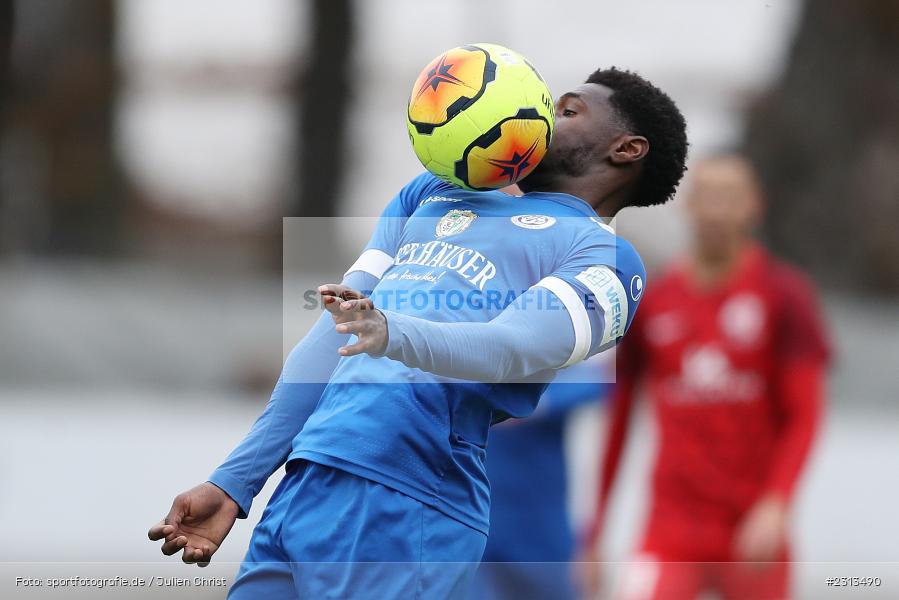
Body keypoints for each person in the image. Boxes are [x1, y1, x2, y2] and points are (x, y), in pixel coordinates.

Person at [148, 68, 688, 599]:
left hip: (410, 502)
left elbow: (513, 347)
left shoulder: (608, 259)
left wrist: (392, 332)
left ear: (626, 149)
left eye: (568, 110)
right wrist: (236, 480)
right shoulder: (432, 191)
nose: (545, 115)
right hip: (306, 482)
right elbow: (328, 338)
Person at [578, 154, 830, 600]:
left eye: (730, 198)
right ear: (687, 205)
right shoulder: (654, 301)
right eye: (707, 196)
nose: (717, 210)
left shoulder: (785, 296)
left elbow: (805, 415)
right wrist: (595, 536)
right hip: (671, 531)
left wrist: (776, 503)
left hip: (752, 531)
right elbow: (617, 424)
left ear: (754, 206)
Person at [473, 358, 609, 600]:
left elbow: (597, 381)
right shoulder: (467, 346)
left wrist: (532, 402)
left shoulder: (544, 350)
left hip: (541, 530)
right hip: (482, 526)